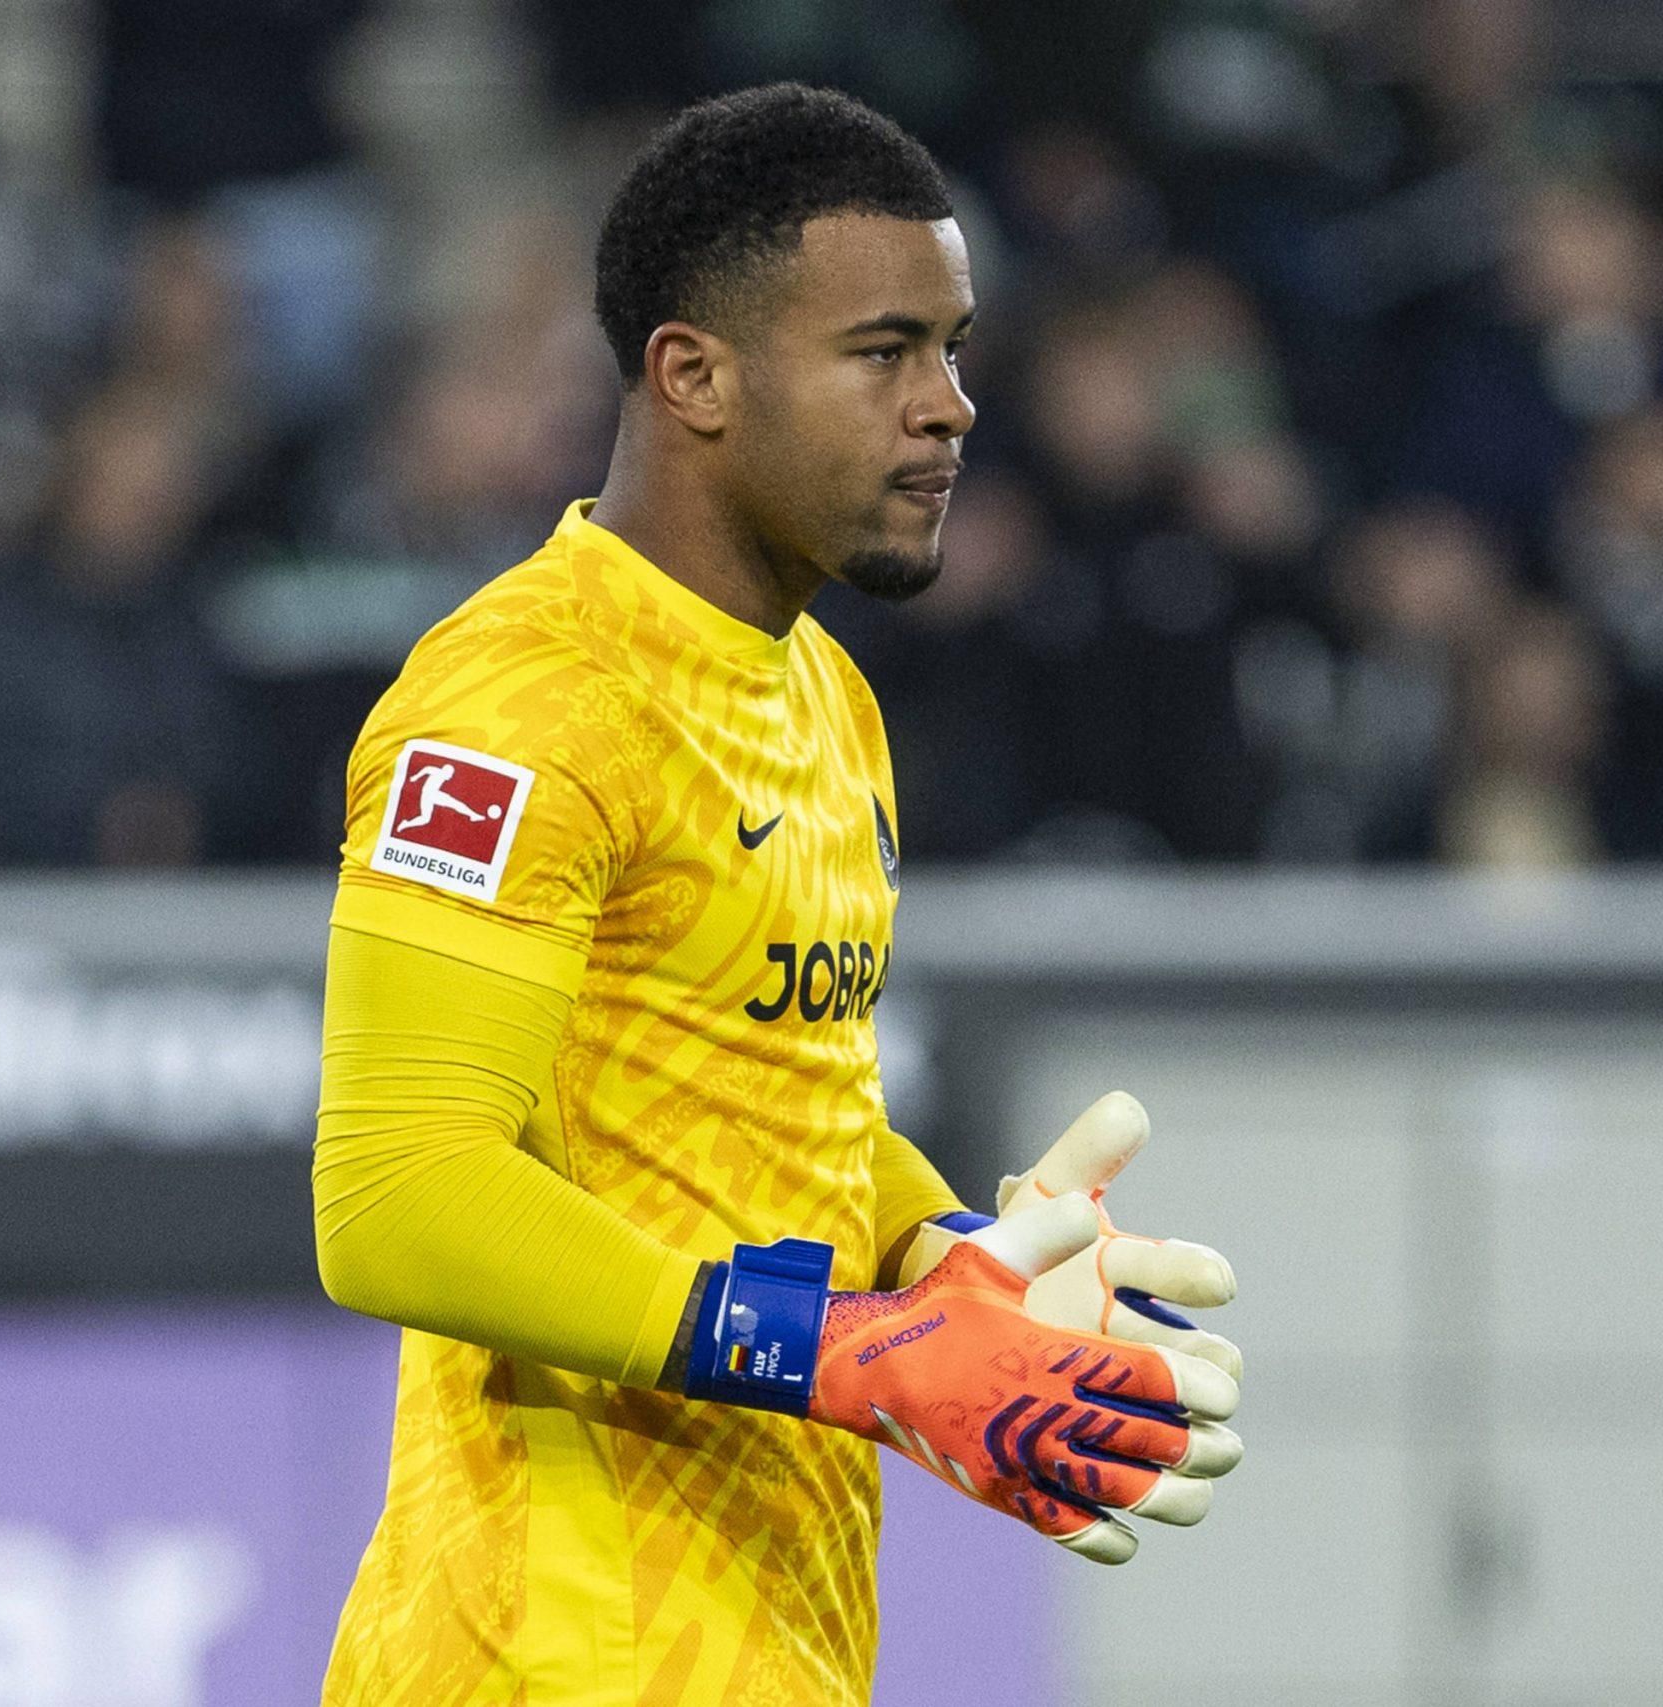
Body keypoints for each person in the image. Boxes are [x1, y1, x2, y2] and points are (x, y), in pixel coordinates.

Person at [311, 85, 1244, 1704]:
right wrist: (844, 1349)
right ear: (694, 376)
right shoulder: (521, 702)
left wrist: (953, 1259)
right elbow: (397, 1190)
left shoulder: (827, 696)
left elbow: (767, 1099)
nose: (950, 407)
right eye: (886, 353)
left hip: (774, 1639)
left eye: (954, 351)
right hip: (551, 1650)